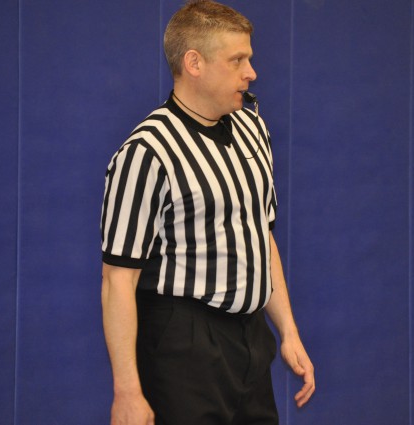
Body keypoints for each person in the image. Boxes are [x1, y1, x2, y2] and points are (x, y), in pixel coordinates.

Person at [100, 1, 314, 424]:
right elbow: (117, 279)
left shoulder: (253, 129)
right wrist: (127, 391)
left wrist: (287, 330)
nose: (251, 73)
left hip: (251, 339)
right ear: (194, 63)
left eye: (249, 58)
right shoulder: (147, 151)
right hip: (185, 345)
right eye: (238, 60)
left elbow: (261, 235)